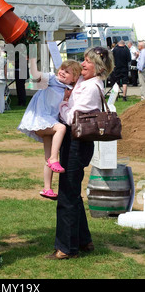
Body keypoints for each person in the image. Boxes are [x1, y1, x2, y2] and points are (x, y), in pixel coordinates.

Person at [47, 46, 114, 259]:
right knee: (72, 193)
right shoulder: (85, 83)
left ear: (99, 67)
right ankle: (84, 241)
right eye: (84, 60)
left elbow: (71, 117)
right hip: (75, 142)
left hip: (77, 142)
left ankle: (66, 248)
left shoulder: (92, 87)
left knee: (67, 194)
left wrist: (62, 105)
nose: (83, 64)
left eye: (88, 61)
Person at [18, 59, 82, 200]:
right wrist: (33, 62)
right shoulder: (51, 79)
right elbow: (35, 74)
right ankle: (54, 159)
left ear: (74, 78)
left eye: (67, 72)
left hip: (48, 123)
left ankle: (47, 188)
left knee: (47, 157)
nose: (62, 72)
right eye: (62, 69)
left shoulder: (68, 90)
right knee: (61, 128)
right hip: (40, 120)